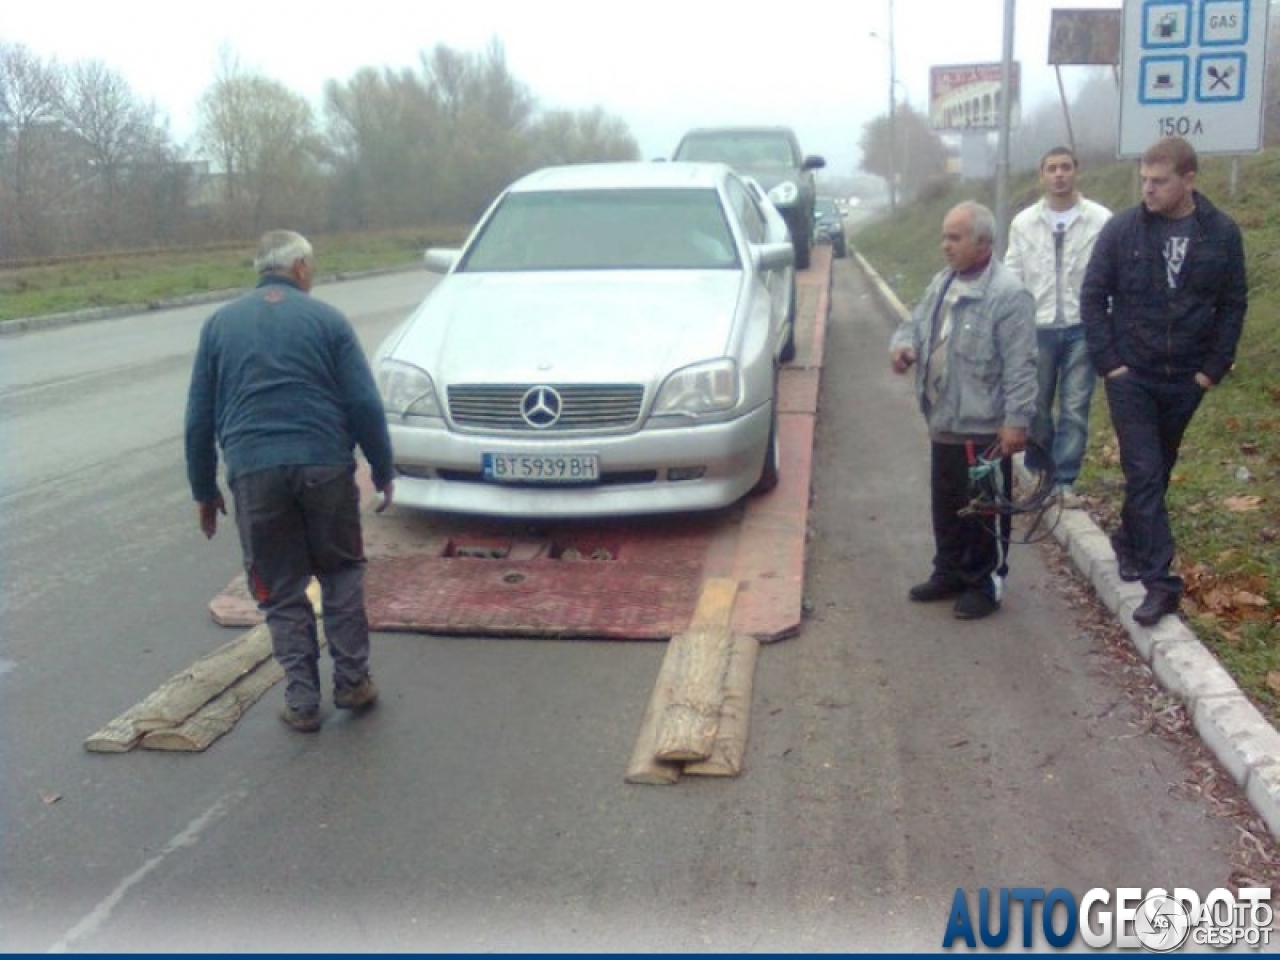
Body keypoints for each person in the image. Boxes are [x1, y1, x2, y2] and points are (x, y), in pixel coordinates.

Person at [184, 229, 396, 732]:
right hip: (324, 466)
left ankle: (302, 702)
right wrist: (383, 470)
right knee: (341, 573)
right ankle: (353, 682)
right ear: (300, 267)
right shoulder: (327, 321)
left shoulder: (218, 326)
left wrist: (204, 492)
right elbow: (364, 404)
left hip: (254, 472)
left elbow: (198, 420)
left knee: (280, 587)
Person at [1080, 136, 1248, 627]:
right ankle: (1162, 584)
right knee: (1146, 471)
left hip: (1186, 378)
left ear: (1189, 180)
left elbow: (1233, 304)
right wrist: (1110, 362)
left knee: (1158, 469)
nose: (1148, 189)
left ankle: (1129, 540)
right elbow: (1094, 297)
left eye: (1159, 181)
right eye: (1144, 180)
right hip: (1132, 374)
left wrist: (1210, 369)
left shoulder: (1221, 234)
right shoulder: (1122, 230)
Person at [889, 202, 1038, 620]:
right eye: (944, 236)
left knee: (984, 510)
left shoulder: (1009, 295)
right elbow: (915, 325)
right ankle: (950, 571)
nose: (945, 246)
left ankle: (983, 584)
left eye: (955, 238)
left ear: (984, 242)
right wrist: (904, 349)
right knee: (948, 503)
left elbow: (1021, 365)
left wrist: (1016, 421)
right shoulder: (943, 282)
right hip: (944, 421)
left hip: (984, 427)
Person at [1005, 146, 1112, 507]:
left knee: (1075, 406)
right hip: (1038, 326)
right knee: (1035, 405)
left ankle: (1064, 481)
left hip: (1084, 325)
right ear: (1042, 175)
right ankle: (1040, 468)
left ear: (1076, 172)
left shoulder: (1100, 219)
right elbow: (1014, 274)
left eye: (1066, 167)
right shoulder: (1023, 223)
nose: (1059, 174)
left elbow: (1111, 273)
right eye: (1052, 168)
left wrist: (1108, 316)